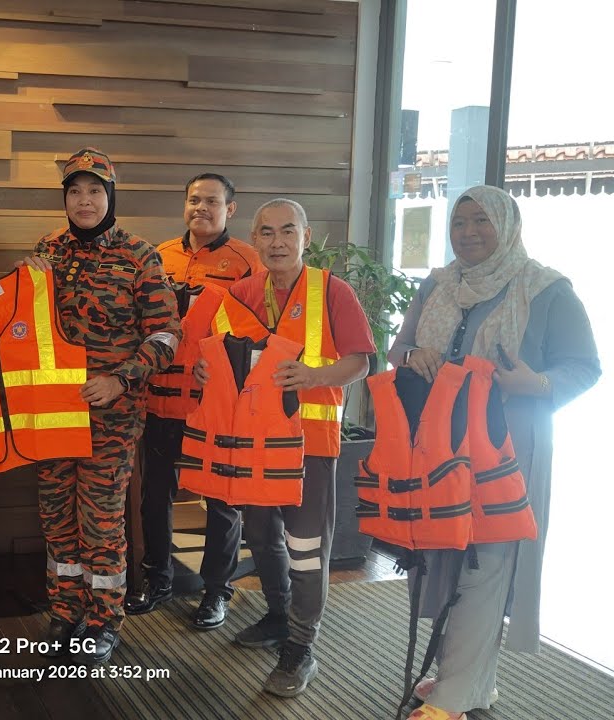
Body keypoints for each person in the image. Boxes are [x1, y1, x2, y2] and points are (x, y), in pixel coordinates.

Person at [388, 185, 599, 720]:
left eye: (481, 221)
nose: (468, 232)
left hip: (508, 446)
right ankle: (472, 679)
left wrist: (536, 383)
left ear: (507, 225)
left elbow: (584, 368)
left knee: (487, 563)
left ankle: (456, 696)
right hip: (440, 446)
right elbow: (398, 350)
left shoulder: (547, 289)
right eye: (459, 222)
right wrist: (418, 355)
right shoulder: (437, 285)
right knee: (447, 557)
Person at [196, 198, 375, 697]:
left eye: (287, 232)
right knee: (260, 532)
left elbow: (361, 361)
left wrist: (316, 375)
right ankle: (278, 615)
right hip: (249, 442)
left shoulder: (332, 291)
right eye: (267, 232)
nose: (277, 241)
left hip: (310, 441)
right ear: (254, 240)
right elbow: (211, 359)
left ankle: (301, 646)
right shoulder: (237, 293)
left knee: (306, 546)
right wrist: (203, 368)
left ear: (306, 237)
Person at [21, 147, 180, 664]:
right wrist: (24, 284)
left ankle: (102, 620)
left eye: (94, 191)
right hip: (53, 411)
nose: (84, 200)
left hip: (111, 415)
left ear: (110, 196)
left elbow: (166, 334)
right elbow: (27, 328)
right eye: (74, 191)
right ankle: (65, 612)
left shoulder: (139, 255)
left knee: (101, 519)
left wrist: (120, 379)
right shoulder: (47, 251)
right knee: (56, 518)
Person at [128, 172, 263, 629]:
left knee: (222, 501)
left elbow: (256, 333)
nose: (200, 208)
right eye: (193, 200)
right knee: (154, 496)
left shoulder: (248, 262)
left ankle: (216, 590)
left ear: (231, 208)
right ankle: (157, 578)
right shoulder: (157, 256)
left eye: (211, 201)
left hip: (215, 406)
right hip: (160, 400)